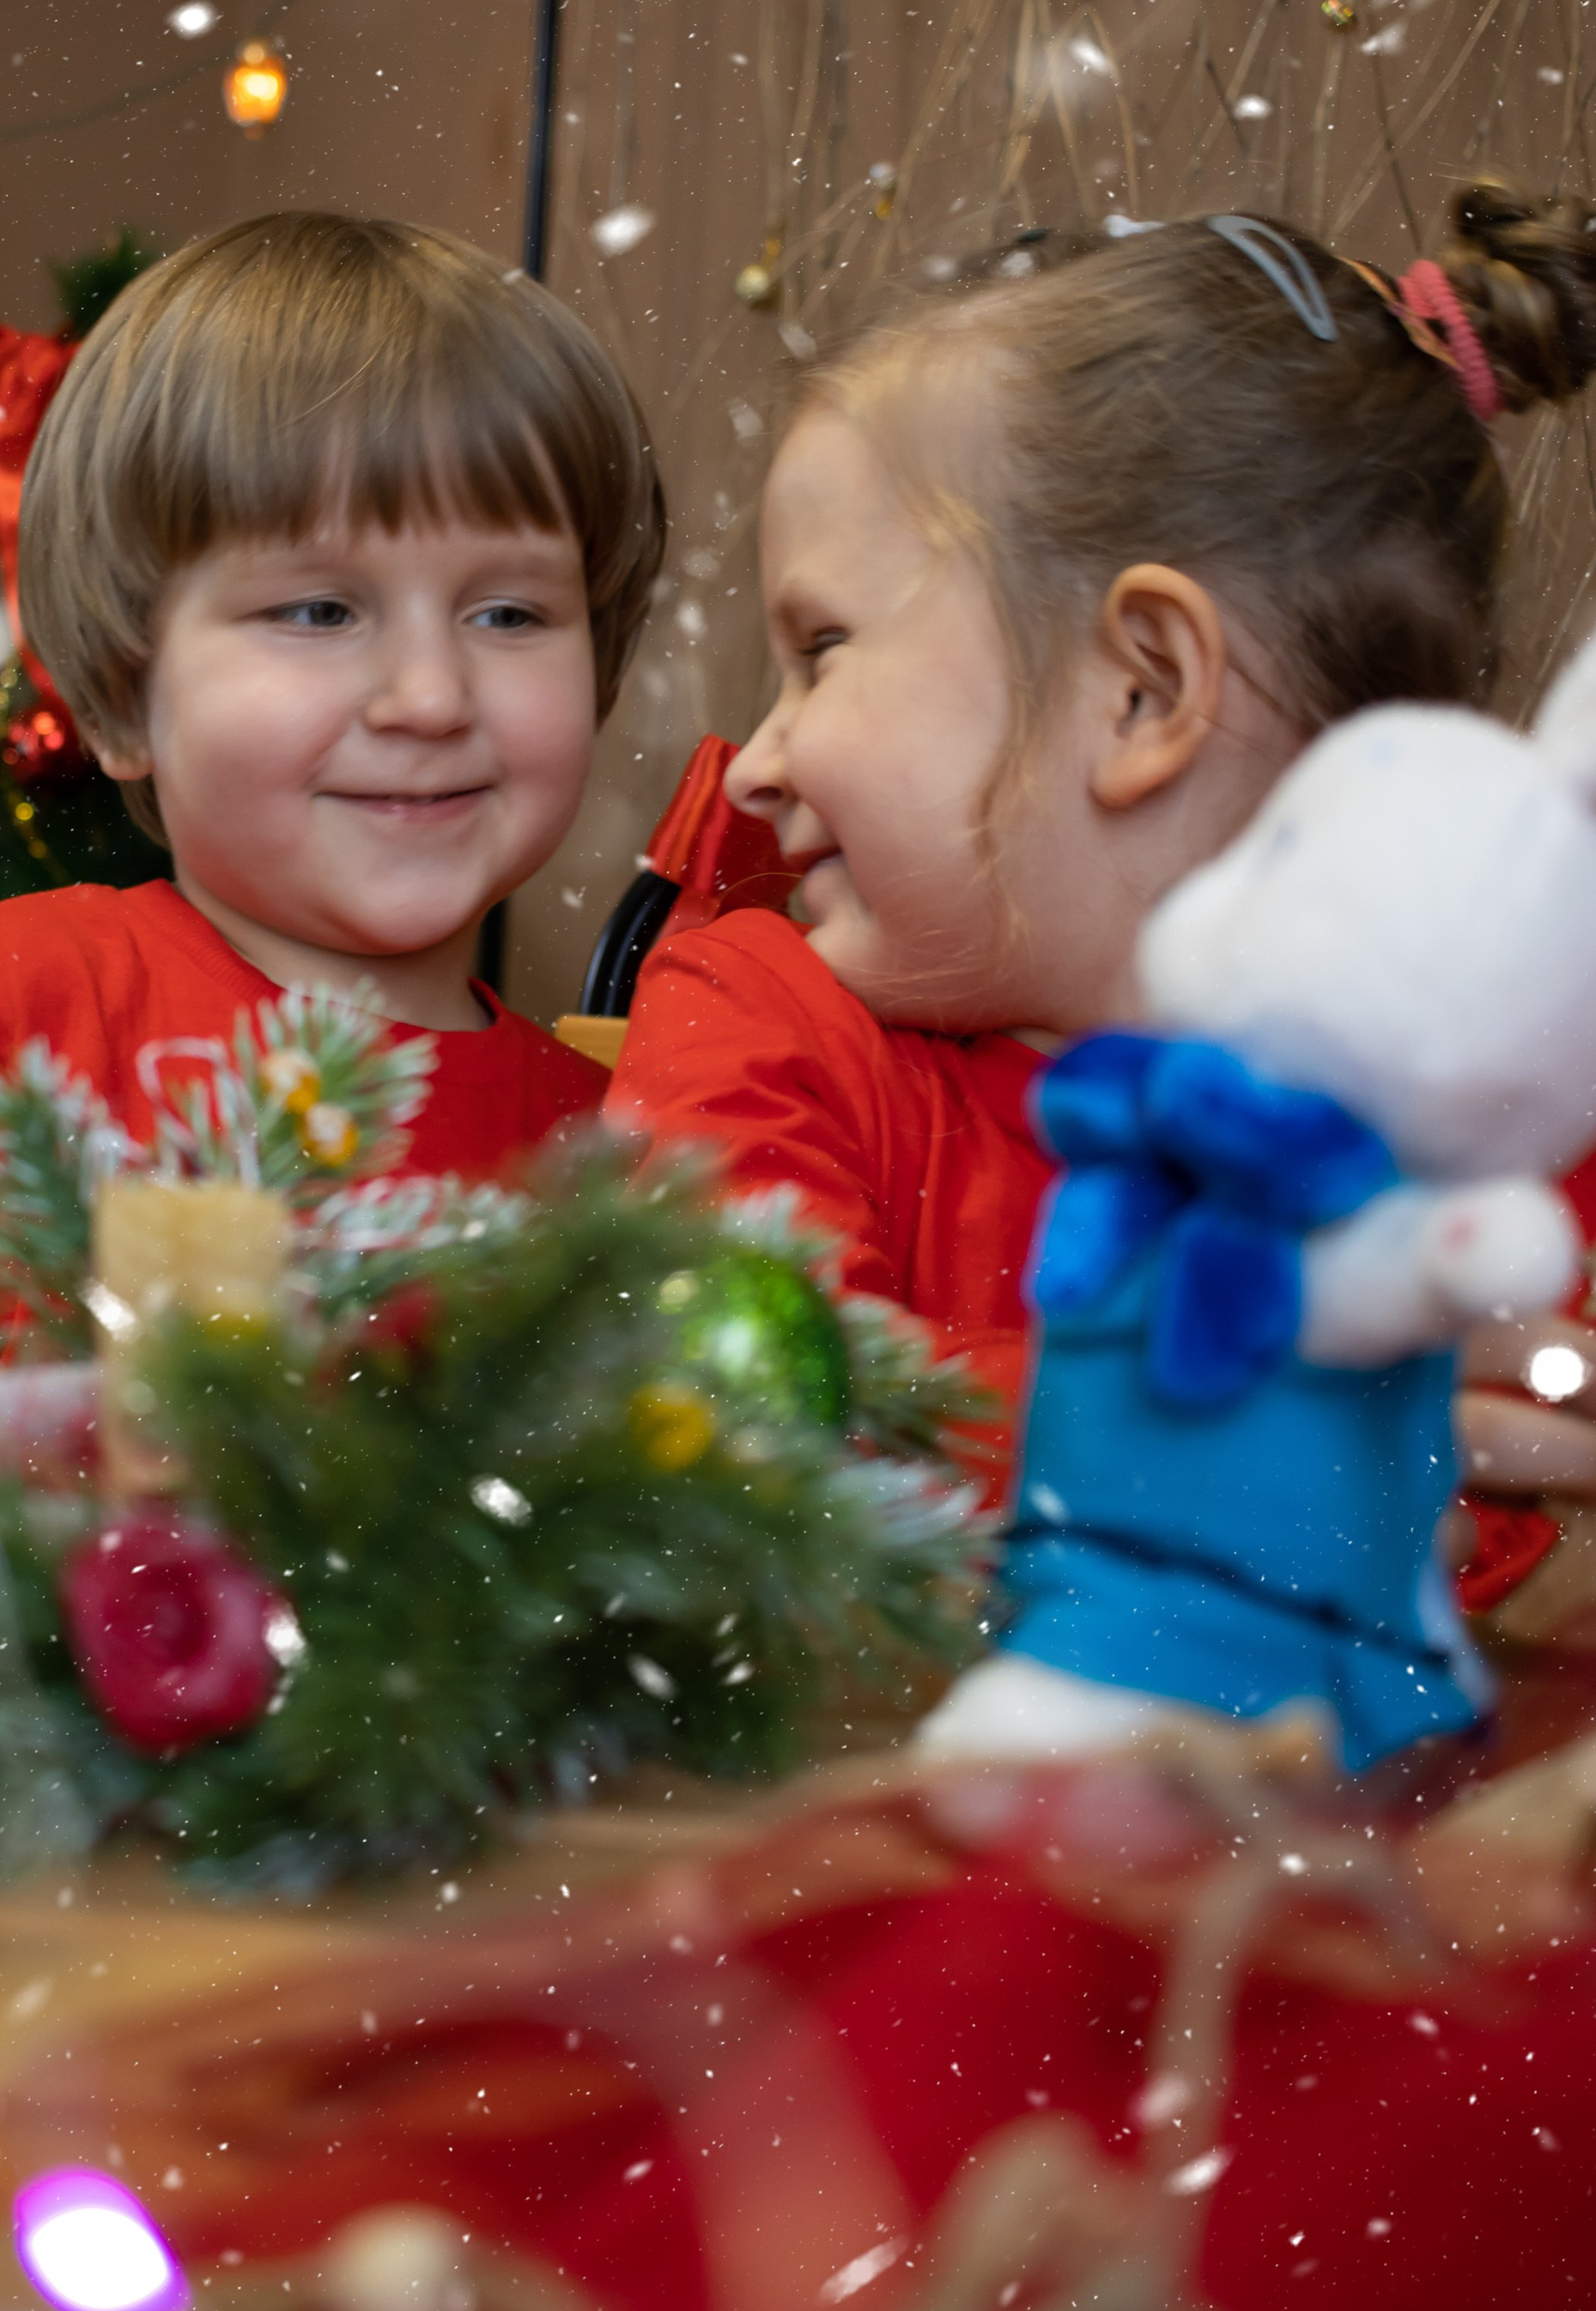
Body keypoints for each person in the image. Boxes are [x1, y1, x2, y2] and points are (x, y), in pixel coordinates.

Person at [606, 190, 1596, 1507]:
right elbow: (727, 1430)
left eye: (823, 651)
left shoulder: (1483, 1140)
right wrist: (1212, 1421)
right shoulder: (757, 1025)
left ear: (1143, 690)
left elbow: (1492, 1517)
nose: (758, 761)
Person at [0, 212, 666, 1300]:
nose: (430, 698)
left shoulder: (620, 1169)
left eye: (507, 615)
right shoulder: (0, 1022)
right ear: (124, 699)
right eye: (319, 611)